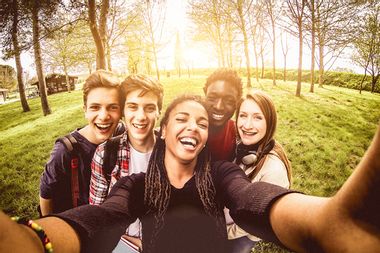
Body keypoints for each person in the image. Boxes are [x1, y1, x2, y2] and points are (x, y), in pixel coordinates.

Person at [2, 95, 380, 253]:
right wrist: (35, 239)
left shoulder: (222, 174)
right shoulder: (135, 185)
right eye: (181, 119)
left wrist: (327, 222)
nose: (193, 127)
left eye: (201, 123)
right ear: (163, 131)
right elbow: (104, 216)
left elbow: (252, 201)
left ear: (204, 139)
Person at [89, 74, 163, 250]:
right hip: (123, 244)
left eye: (150, 108)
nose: (141, 116)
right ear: (123, 111)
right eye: (133, 107)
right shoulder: (105, 153)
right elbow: (97, 216)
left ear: (159, 112)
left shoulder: (172, 149)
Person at [39, 70, 124, 216]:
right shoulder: (65, 151)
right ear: (85, 110)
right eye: (95, 107)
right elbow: (46, 194)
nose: (103, 116)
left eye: (112, 107)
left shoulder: (123, 133)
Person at [225, 90, 292, 253]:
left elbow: (255, 223)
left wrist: (223, 231)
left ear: (270, 123)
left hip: (239, 237)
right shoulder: (242, 147)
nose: (247, 125)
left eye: (257, 117)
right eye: (243, 115)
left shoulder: (273, 170)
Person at [203, 68, 243, 162]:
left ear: (236, 104)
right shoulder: (188, 128)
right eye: (212, 98)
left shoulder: (240, 133)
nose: (219, 107)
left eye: (229, 101)